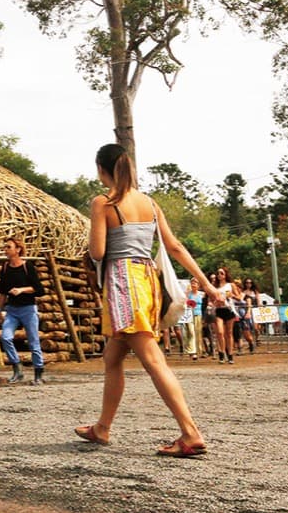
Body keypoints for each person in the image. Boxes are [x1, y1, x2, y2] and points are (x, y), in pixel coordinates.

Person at [77, 144, 223, 457]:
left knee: (153, 360)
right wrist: (209, 286)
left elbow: (98, 252)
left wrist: (90, 244)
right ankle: (102, 427)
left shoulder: (103, 202)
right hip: (146, 281)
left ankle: (190, 432)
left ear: (102, 169)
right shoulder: (150, 203)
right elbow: (175, 247)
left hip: (122, 282)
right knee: (113, 357)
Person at [0, 236, 46, 384]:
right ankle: (17, 369)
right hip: (12, 310)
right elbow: (3, 291)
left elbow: (39, 289)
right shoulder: (5, 267)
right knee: (5, 337)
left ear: (17, 250)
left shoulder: (27, 267)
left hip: (28, 309)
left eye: (8, 247)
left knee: (33, 341)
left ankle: (38, 374)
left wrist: (22, 290)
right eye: (5, 247)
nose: (5, 249)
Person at [210, 268, 238, 364]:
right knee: (220, 332)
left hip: (229, 309)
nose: (219, 275)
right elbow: (211, 298)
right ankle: (221, 353)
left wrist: (232, 295)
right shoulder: (214, 286)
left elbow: (239, 297)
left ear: (225, 274)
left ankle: (230, 354)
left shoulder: (231, 285)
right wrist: (214, 302)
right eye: (218, 273)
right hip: (219, 310)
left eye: (221, 273)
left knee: (229, 333)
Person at [181, 277, 204, 361]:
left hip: (198, 314)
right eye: (192, 282)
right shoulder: (187, 294)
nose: (193, 284)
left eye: (195, 283)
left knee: (198, 332)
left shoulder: (202, 294)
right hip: (189, 315)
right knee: (191, 332)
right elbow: (184, 302)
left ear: (198, 285)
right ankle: (192, 351)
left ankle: (199, 350)